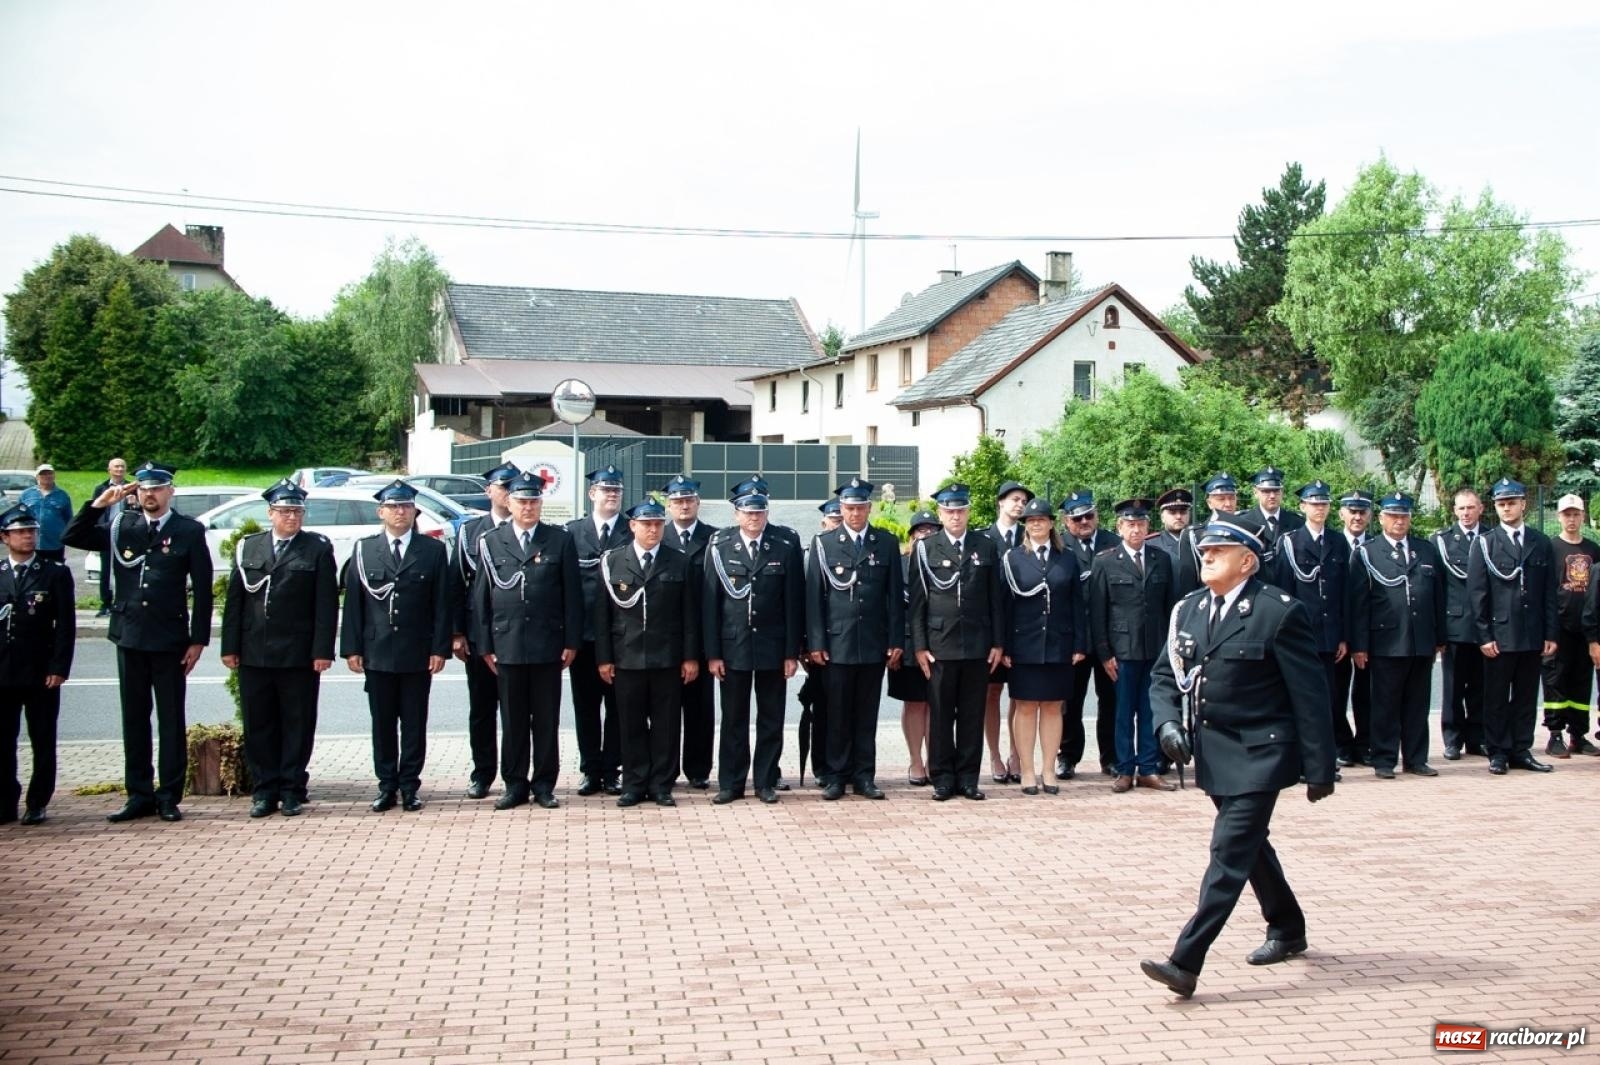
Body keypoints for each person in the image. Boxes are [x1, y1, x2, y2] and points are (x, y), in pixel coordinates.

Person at [1140, 513, 1336, 1000]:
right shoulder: (1188, 610)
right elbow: (1166, 675)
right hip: (1215, 752)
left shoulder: (1278, 612)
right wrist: (1166, 723)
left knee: (1227, 854)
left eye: (1219, 551)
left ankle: (1186, 961)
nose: (1206, 556)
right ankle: (1288, 927)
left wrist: (1320, 766)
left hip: (1261, 753)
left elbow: (1309, 696)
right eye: (1204, 551)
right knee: (1250, 848)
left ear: (1247, 562)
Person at [64, 461, 211, 823]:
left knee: (170, 719)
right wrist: (99, 503)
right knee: (134, 718)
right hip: (129, 635)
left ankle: (168, 797)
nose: (149, 494)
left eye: (156, 488)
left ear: (169, 491)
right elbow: (72, 536)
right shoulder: (121, 525)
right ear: (135, 492)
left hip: (169, 639)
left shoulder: (188, 530)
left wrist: (198, 640)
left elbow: (204, 590)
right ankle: (139, 794)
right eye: (143, 488)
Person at [220, 480, 338, 818]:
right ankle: (264, 789)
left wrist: (322, 651)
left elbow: (326, 605)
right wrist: (230, 646)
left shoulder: (316, 548)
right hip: (254, 650)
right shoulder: (249, 547)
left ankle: (291, 788)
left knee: (297, 723)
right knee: (259, 723)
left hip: (298, 653)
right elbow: (235, 602)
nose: (292, 517)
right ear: (270, 513)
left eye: (297, 511)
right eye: (285, 511)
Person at [340, 480, 452, 812]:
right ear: (381, 512)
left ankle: (410, 785)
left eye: (405, 506)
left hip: (417, 652)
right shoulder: (364, 550)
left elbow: (441, 605)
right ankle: (386, 785)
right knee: (383, 723)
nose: (399, 512)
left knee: (415, 723)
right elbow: (354, 606)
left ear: (415, 510)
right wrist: (352, 649)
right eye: (393, 507)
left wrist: (439, 648)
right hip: (378, 653)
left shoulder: (431, 551)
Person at [474, 470, 582, 810]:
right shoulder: (491, 541)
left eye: (534, 501)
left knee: (546, 719)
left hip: (547, 644)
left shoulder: (559, 540)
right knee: (513, 719)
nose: (528, 507)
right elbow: (481, 598)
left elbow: (572, 595)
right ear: (509, 502)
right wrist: (485, 645)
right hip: (507, 644)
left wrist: (572, 640)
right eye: (522, 501)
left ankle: (545, 784)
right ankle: (515, 783)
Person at [596, 499, 700, 808]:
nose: (653, 529)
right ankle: (634, 783)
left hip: (667, 657)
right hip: (626, 656)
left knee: (666, 725)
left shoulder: (678, 561)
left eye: (657, 524)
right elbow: (602, 617)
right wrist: (604, 658)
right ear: (632, 526)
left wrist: (690, 657)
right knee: (630, 724)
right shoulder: (614, 561)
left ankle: (661, 784)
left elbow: (690, 615)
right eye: (646, 524)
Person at [806, 478, 903, 800]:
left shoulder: (885, 542)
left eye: (860, 507)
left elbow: (893, 597)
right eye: (849, 508)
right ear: (842, 509)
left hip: (873, 643)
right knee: (836, 714)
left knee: (865, 714)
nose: (855, 513)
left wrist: (895, 640)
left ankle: (864, 776)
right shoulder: (824, 544)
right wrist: (816, 642)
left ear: (869, 508)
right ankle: (836, 775)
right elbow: (814, 598)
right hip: (837, 644)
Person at [704, 490, 803, 805]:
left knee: (771, 719)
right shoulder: (720, 547)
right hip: (734, 649)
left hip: (772, 648)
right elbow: (710, 605)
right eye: (748, 513)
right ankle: (731, 783)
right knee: (733, 719)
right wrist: (713, 653)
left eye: (759, 512)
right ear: (736, 514)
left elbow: (793, 604)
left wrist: (791, 652)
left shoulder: (785, 546)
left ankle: (765, 781)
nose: (754, 518)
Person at [910, 483, 1005, 802]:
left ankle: (968, 778)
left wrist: (998, 642)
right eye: (949, 510)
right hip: (939, 645)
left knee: (971, 713)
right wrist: (920, 646)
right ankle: (942, 778)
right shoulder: (926, 548)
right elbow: (918, 604)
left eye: (960, 509)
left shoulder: (986, 545)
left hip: (977, 643)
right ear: (940, 513)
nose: (955, 515)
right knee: (939, 715)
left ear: (968, 512)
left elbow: (996, 598)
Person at [1347, 492, 1445, 779]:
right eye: (1393, 516)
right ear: (1381, 519)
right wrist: (1360, 645)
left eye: (1403, 516)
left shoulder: (1425, 550)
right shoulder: (1367, 552)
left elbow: (1438, 596)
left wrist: (1440, 636)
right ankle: (1384, 759)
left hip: (1421, 640)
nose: (1399, 521)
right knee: (1385, 704)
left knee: (1418, 704)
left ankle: (1416, 758)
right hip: (1386, 641)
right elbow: (1359, 603)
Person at [1468, 478, 1559, 775]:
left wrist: (1550, 633)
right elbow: (1478, 593)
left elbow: (1549, 592)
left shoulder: (1540, 542)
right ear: (1495, 507)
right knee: (1495, 696)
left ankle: (1521, 749)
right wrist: (1483, 634)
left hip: (1532, 633)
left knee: (1525, 696)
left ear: (1523, 504)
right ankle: (1497, 751)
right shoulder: (1485, 542)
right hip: (1499, 634)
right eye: (1501, 503)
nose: (1507, 508)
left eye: (1512, 502)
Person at [1000, 497, 1085, 794]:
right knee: (1024, 707)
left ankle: (1048, 769)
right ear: (1025, 526)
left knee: (1052, 707)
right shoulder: (1013, 558)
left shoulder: (1068, 558)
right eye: (1030, 521)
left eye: (1041, 519)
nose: (1036, 524)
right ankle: (1026, 770)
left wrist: (1079, 642)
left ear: (1051, 524)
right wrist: (1005, 645)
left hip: (1059, 643)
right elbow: (1004, 607)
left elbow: (1077, 603)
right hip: (1024, 644)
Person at [1091, 498, 1177, 793]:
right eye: (1130, 524)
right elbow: (1098, 610)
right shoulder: (1105, 561)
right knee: (1123, 712)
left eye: (1141, 524)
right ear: (1120, 527)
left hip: (1154, 649)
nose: (1136, 529)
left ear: (1147, 526)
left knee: (1151, 710)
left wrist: (1170, 650)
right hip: (1122, 650)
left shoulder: (1160, 559)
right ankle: (1125, 769)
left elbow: (1170, 609)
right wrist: (1104, 653)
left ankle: (1149, 769)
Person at [0, 505, 74, 825]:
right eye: (20, 532)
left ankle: (38, 800)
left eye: (31, 531)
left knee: (42, 739)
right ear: (5, 537)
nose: (28, 537)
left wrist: (58, 667)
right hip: (3, 672)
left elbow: (66, 625)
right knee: (3, 741)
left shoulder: (54, 571)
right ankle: (5, 800)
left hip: (41, 671)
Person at [449, 461, 518, 799]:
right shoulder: (470, 532)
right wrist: (458, 633)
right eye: (502, 487)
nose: (507, 493)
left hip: (518, 636)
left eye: (513, 487)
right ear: (488, 491)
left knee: (517, 712)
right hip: (479, 634)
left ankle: (516, 774)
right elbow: (457, 584)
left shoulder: (532, 529)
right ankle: (482, 773)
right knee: (482, 710)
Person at [1271, 482, 1349, 778]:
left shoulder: (1338, 542)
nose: (1319, 508)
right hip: (1301, 636)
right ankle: (1300, 761)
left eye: (1324, 504)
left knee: (1328, 700)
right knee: (1300, 700)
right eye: (1313, 504)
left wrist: (1344, 635)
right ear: (1302, 507)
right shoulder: (1290, 542)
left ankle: (1324, 761)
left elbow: (1344, 593)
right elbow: (1284, 593)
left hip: (1330, 637)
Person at [567, 465, 631, 795]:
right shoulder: (573, 532)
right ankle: (590, 769)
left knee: (618, 707)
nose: (612, 496)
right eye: (606, 490)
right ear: (592, 494)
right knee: (586, 707)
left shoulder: (631, 532)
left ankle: (612, 770)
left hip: (621, 637)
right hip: (585, 638)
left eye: (617, 491)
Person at [1058, 490, 1120, 779]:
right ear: (1066, 520)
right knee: (1071, 702)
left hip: (1108, 636)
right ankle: (1067, 757)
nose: (1084, 521)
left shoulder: (1112, 542)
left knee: (1111, 701)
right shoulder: (1059, 545)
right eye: (1077, 518)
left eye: (1089, 515)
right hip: (1075, 638)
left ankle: (1111, 758)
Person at [662, 475, 717, 790]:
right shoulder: (658, 535)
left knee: (699, 709)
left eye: (689, 500)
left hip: (700, 634)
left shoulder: (714, 538)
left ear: (697, 503)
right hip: (666, 637)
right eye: (678, 501)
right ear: (669, 505)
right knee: (666, 709)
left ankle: (698, 769)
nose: (684, 505)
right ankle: (666, 770)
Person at [980, 480, 1033, 783]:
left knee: (1020, 696)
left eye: (1023, 501)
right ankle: (995, 755)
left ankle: (1016, 753)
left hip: (1022, 627)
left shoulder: (1030, 538)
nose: (1019, 505)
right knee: (991, 693)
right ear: (1000, 502)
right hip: (991, 629)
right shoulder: (984, 539)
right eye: (1014, 499)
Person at [1541, 494, 1600, 758]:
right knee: (1555, 680)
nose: (1572, 519)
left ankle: (1579, 734)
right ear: (1559, 517)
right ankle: (1555, 734)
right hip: (1558, 628)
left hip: (1585, 630)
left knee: (1581, 682)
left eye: (1576, 514)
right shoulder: (1550, 548)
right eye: (1567, 514)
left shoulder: (1593, 549)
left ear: (1583, 517)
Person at [1432, 488, 1487, 760]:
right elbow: (1437, 588)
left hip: (1485, 626)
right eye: (1461, 508)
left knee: (1481, 685)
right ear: (1454, 511)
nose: (1466, 513)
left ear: (1481, 509)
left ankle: (1478, 738)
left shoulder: (1490, 538)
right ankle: (1452, 739)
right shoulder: (1441, 541)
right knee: (1453, 687)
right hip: (1455, 624)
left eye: (1470, 508)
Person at [890, 510, 939, 786]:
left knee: (937, 704)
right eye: (920, 530)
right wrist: (894, 644)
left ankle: (935, 760)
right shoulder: (900, 564)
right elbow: (891, 608)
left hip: (939, 642)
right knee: (915, 704)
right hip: (907, 645)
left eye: (932, 530)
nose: (926, 535)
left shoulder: (943, 562)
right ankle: (916, 761)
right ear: (911, 536)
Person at [1332, 490, 1375, 765]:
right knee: (1336, 693)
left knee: (1367, 693)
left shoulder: (1376, 545)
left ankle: (1365, 745)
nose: (1357, 517)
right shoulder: (1334, 544)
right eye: (1352, 511)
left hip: (1369, 631)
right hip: (1336, 631)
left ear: (1370, 516)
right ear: (1341, 514)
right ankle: (1341, 744)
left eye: (1362, 512)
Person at [1174, 474, 1241, 599]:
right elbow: (1188, 581)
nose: (1228, 503)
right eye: (1221, 499)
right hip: (1209, 602)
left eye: (1232, 498)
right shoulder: (1194, 535)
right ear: (1209, 503)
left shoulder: (1246, 531)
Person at [91, 457, 130, 616]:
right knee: (106, 570)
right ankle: (105, 603)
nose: (119, 470)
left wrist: (133, 503)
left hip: (126, 535)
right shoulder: (101, 488)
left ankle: (123, 601)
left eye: (122, 467)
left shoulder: (132, 487)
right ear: (109, 470)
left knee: (125, 569)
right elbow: (94, 510)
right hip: (106, 534)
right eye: (116, 467)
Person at [1240, 466, 1304, 558]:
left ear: (1282, 492)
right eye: (1266, 491)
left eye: (1276, 490)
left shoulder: (1297, 523)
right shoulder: (1244, 523)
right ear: (1255, 492)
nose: (1272, 496)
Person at [19, 464, 72, 563]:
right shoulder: (26, 494)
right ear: (37, 477)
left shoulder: (63, 495)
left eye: (49, 473)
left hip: (55, 544)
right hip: (31, 542)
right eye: (43, 474)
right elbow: (20, 518)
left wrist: (66, 537)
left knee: (55, 573)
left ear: (54, 475)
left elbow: (69, 519)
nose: (47, 476)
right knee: (32, 574)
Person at [1150, 488, 1193, 560]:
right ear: (1162, 517)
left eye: (1183, 512)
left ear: (1189, 514)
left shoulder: (1198, 541)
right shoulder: (1151, 545)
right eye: (1172, 512)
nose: (1179, 516)